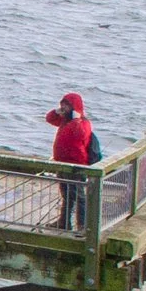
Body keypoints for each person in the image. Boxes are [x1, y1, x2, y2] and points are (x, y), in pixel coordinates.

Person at [48, 92, 97, 230]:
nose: (64, 107)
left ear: (75, 107)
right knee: (66, 194)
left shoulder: (83, 123)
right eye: (62, 104)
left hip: (77, 165)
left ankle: (82, 225)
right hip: (62, 163)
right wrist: (57, 112)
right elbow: (50, 119)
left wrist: (76, 119)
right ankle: (64, 222)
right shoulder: (64, 121)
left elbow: (80, 134)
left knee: (78, 194)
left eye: (67, 104)